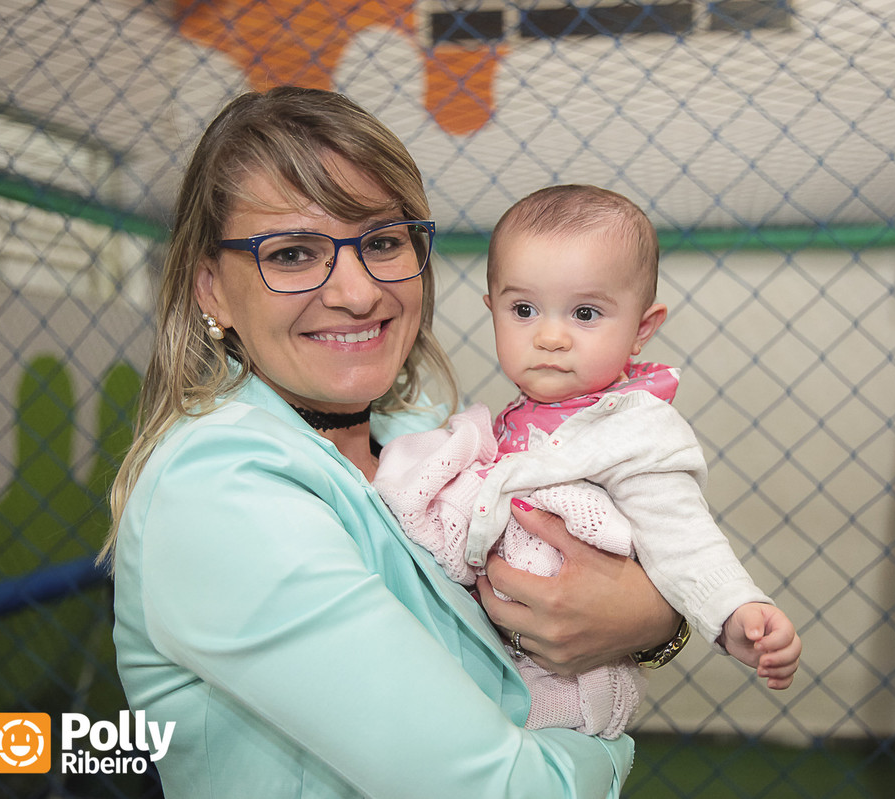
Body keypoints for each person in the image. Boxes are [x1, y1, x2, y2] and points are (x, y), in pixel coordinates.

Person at [101, 88, 687, 798]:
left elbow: (570, 611)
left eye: (381, 241)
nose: (357, 293)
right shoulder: (216, 490)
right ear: (212, 289)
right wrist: (607, 751)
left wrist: (653, 618)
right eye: (292, 253)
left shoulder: (422, 433)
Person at [373, 185, 802, 739]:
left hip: (567, 683)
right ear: (493, 311)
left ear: (641, 329)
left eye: (585, 313)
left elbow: (683, 535)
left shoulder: (635, 433)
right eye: (523, 310)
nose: (550, 337)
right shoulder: (512, 420)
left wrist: (733, 610)